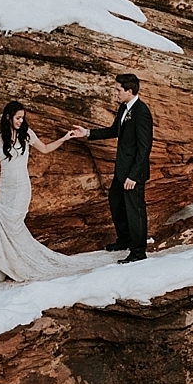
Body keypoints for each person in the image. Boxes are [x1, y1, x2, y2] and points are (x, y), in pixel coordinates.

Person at [0, 101, 78, 282]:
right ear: (8, 117)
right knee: (6, 226)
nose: (21, 121)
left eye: (23, 118)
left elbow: (44, 149)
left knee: (15, 224)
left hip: (22, 187)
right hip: (6, 188)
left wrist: (64, 138)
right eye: (18, 118)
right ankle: (6, 264)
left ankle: (19, 264)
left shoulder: (26, 134)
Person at [72, 73, 153, 264]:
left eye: (118, 90)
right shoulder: (123, 108)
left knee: (135, 210)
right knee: (116, 202)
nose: (115, 93)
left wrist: (134, 175)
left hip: (133, 173)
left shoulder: (142, 113)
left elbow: (144, 148)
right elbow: (113, 130)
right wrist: (88, 133)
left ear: (129, 91)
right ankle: (124, 240)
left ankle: (139, 251)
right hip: (121, 170)